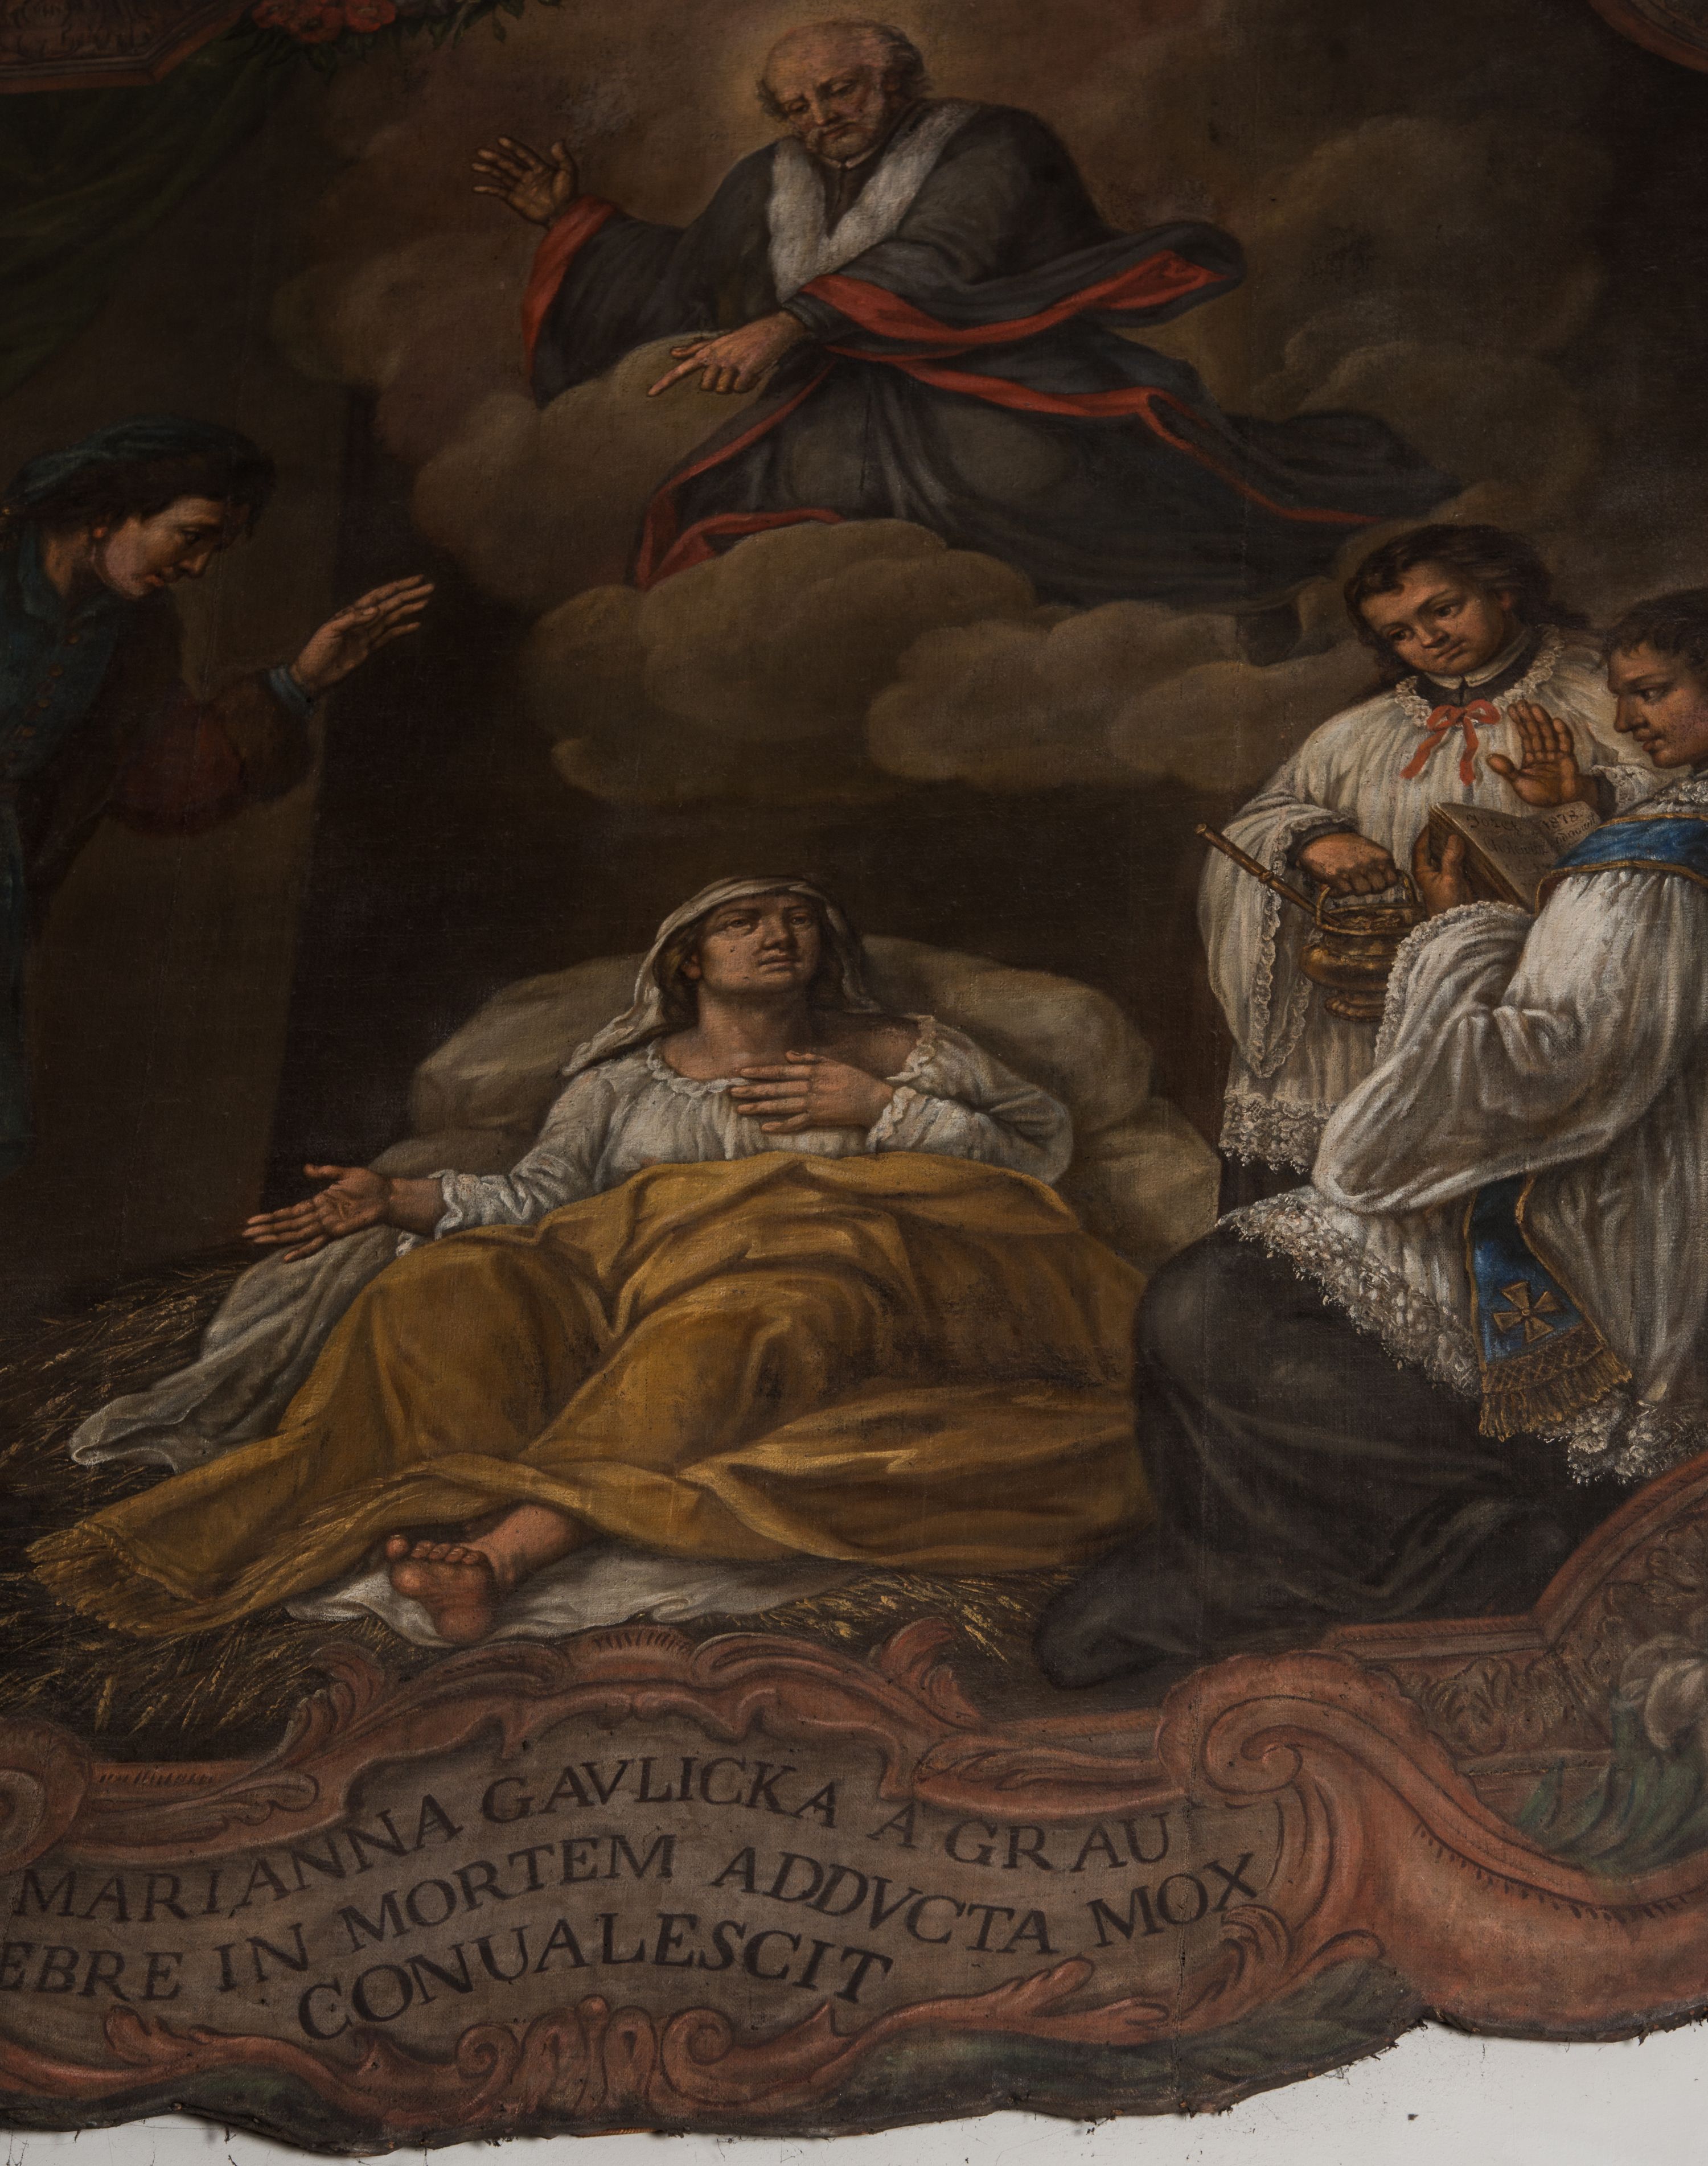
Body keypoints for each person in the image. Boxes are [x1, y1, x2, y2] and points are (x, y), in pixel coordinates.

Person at [34, 877, 1146, 1646]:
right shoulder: (618, 1085)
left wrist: (883, 1108)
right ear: (689, 959)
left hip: (841, 1277)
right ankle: (372, 1496)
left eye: (800, 920)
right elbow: (535, 1203)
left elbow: (1038, 1150)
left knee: (736, 1317)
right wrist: (395, 1199)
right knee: (446, 1288)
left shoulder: (897, 1051)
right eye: (746, 921)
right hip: (624, 1271)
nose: (781, 935)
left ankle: (505, 1554)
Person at [1038, 585, 1708, 1692]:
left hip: (1592, 1201)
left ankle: (1438, 1562)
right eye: (1625, 694)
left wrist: (1453, 934)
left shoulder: (1652, 858)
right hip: (1628, 1169)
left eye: (1654, 693)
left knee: (1210, 1306)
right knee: (1216, 1301)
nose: (1629, 718)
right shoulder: (1647, 831)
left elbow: (1545, 1066)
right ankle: (1355, 1553)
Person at [475, 19, 1452, 613]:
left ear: (896, 82)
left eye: (838, 92)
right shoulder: (768, 177)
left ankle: (1245, 597)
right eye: (797, 106)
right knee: (720, 523)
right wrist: (575, 223)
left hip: (1003, 372)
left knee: (1044, 486)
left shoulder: (993, 142)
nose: (819, 118)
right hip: (830, 401)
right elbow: (690, 276)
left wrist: (790, 324)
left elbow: (944, 256)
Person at [0, 416, 432, 1179]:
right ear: (114, 508)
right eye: (190, 536)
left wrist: (299, 682)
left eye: (214, 549)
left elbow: (161, 775)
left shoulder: (134, 635)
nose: (198, 567)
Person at [1201, 523, 1658, 1208]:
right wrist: (1313, 839)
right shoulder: (1358, 733)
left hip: (1555, 997)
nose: (1430, 639)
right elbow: (1259, 821)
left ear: (1502, 590)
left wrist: (1588, 793)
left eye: (1443, 609)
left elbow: (1683, 804)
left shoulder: (1604, 687)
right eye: (1401, 633)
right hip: (1371, 1011)